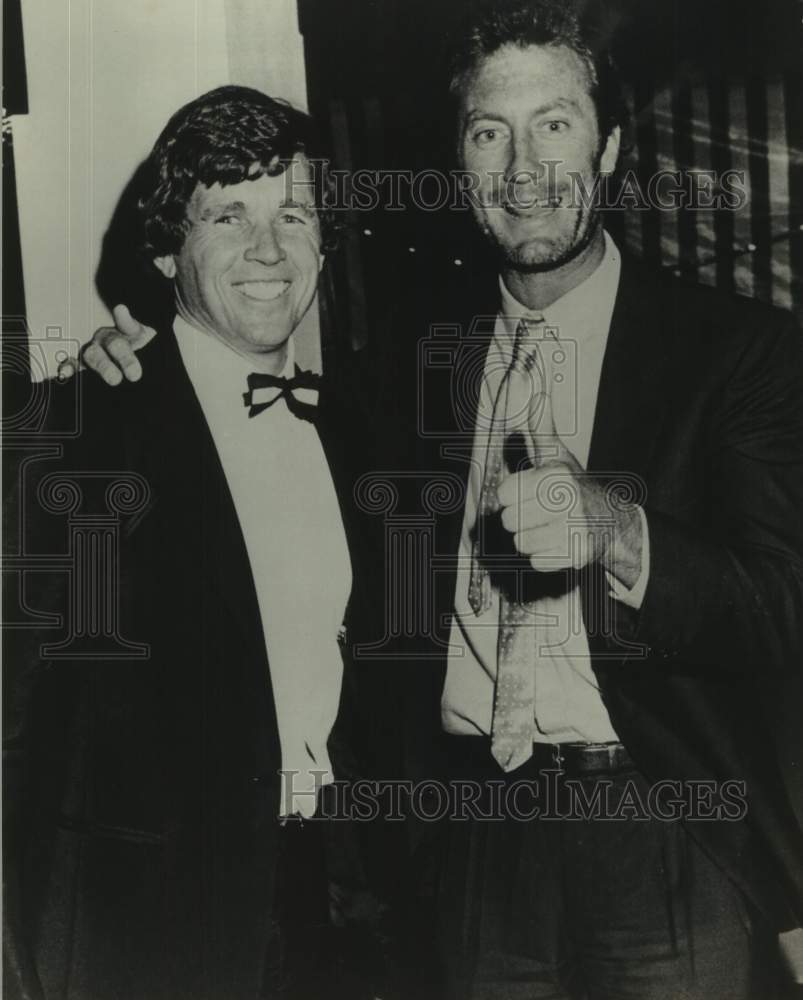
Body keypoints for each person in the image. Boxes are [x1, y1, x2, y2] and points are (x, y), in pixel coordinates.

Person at [63, 2, 803, 997]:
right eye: (489, 132)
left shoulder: (733, 352)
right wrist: (130, 366)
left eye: (556, 123)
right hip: (468, 841)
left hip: (657, 824)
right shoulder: (397, 374)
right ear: (460, 168)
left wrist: (618, 528)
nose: (524, 168)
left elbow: (778, 610)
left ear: (612, 147)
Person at [3, 85, 390, 1000]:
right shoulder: (74, 434)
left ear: (324, 246)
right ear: (166, 249)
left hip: (348, 907)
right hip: (154, 922)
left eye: (292, 214)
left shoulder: (366, 431)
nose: (268, 248)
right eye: (229, 214)